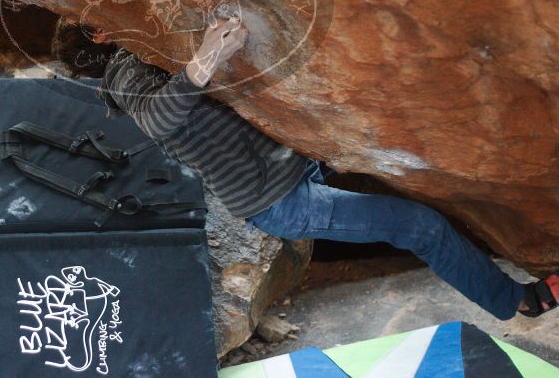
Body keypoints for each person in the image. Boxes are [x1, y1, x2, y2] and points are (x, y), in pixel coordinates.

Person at [51, 16, 559, 320]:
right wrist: (208, 55)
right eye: (99, 18)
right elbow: (161, 119)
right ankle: (519, 303)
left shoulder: (134, 68)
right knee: (419, 227)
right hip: (284, 202)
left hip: (289, 179)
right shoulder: (123, 76)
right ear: (98, 35)